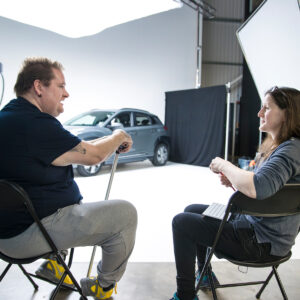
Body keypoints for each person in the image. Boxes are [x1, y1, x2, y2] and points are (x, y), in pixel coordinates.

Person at [0, 57, 138, 299]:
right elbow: (94, 155)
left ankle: (55, 264)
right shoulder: (36, 125)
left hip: (9, 230)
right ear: (39, 87)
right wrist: (118, 135)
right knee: (125, 215)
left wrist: (106, 143)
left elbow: (79, 147)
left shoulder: (11, 118)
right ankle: (103, 287)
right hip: (27, 234)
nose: (67, 94)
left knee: (66, 198)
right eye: (61, 86)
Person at [170, 86, 300, 300]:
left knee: (181, 223)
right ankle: (204, 275)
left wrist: (224, 165)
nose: (259, 114)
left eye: (266, 108)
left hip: (259, 243)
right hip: (258, 230)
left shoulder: (291, 151)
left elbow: (259, 186)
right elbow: (266, 195)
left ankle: (185, 296)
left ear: (287, 114)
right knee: (191, 210)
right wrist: (235, 182)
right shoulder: (285, 147)